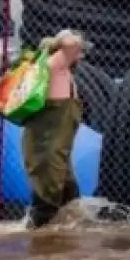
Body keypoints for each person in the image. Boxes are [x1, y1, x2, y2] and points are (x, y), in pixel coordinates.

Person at [22, 30, 90, 230]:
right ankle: (37, 229)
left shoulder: (60, 68)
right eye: (80, 50)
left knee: (67, 183)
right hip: (50, 143)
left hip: (57, 145)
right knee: (50, 185)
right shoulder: (56, 63)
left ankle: (70, 225)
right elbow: (70, 42)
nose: (82, 53)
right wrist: (65, 39)